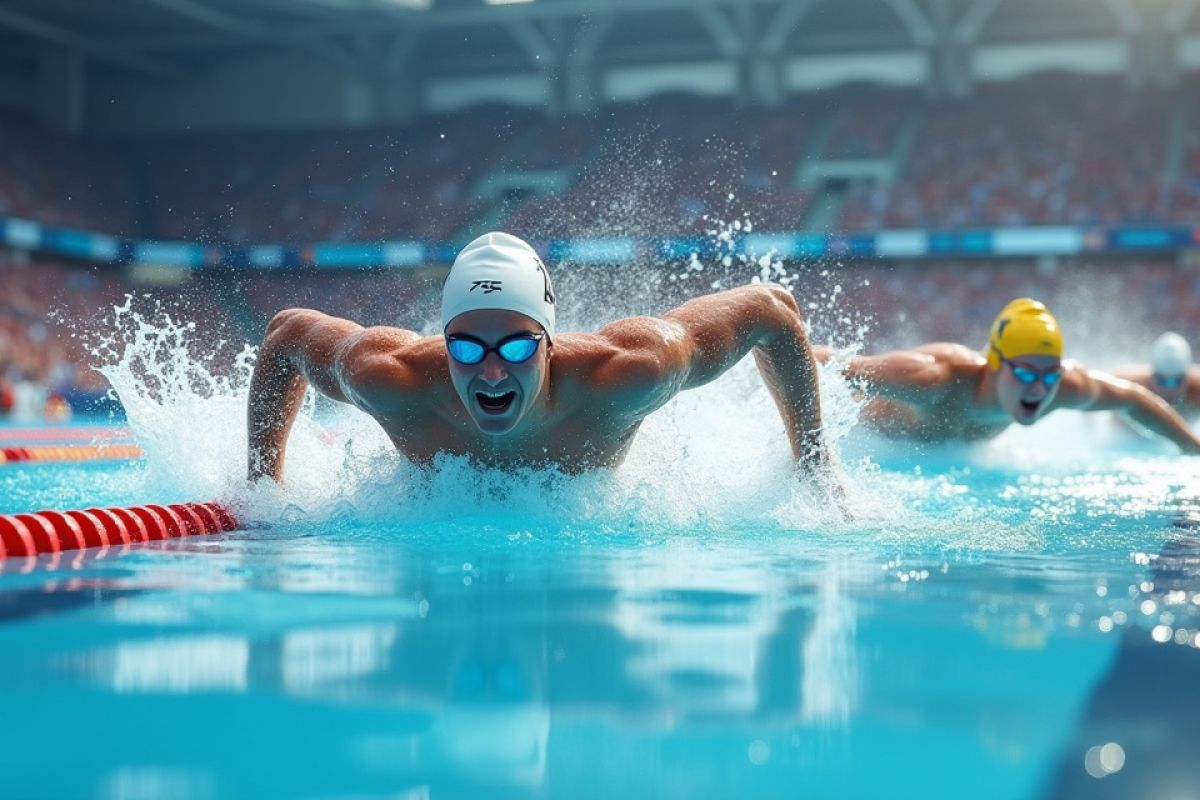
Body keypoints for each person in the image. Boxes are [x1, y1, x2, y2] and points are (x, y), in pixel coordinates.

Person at [247, 231, 840, 488]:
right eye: (468, 347)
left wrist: (815, 470)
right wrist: (262, 487)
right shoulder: (389, 378)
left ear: (550, 344)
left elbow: (772, 309)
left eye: (517, 346)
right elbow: (286, 333)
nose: (492, 369)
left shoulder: (631, 372)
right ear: (444, 342)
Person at [813, 298, 1200, 452]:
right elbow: (825, 361)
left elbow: (1133, 398)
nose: (1039, 388)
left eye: (1049, 374)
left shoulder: (1057, 386)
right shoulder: (936, 378)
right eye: (1027, 373)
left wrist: (1191, 449)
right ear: (995, 364)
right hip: (867, 441)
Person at [1112, 332, 1200, 416]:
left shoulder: (1197, 390)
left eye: (1176, 381)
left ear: (1187, 377)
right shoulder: (1129, 387)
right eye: (1162, 380)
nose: (1169, 389)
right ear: (1152, 375)